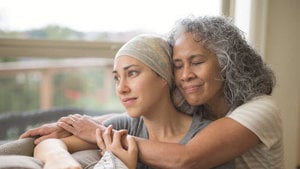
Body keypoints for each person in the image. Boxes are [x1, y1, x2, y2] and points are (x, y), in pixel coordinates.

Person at [0, 15, 283, 169]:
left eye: (196, 62)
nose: (185, 75)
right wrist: (80, 125)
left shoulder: (260, 110)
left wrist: (99, 133)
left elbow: (186, 158)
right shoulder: (194, 102)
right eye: (178, 66)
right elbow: (131, 117)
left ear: (226, 61)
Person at [32, 34, 233, 169]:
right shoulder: (125, 126)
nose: (121, 88)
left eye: (133, 73)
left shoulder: (206, 140)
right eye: (117, 78)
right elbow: (49, 143)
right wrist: (60, 161)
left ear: (164, 76)